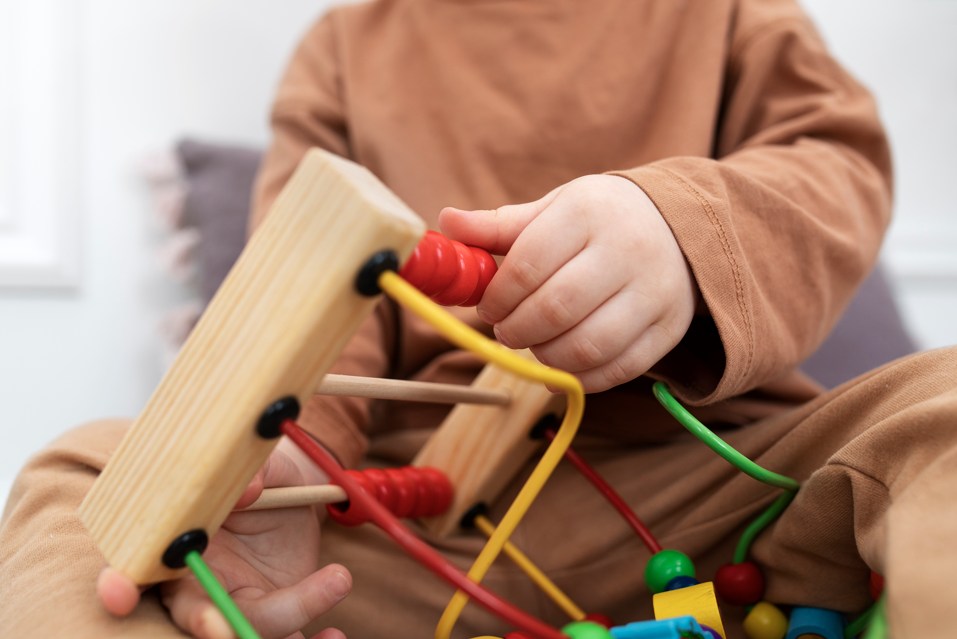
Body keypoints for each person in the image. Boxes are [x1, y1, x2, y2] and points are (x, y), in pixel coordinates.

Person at [3, 0, 956, 637]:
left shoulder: (724, 12)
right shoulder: (347, 42)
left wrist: (684, 232)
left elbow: (836, 163)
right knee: (85, 480)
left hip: (711, 494)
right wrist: (284, 460)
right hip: (403, 532)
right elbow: (302, 282)